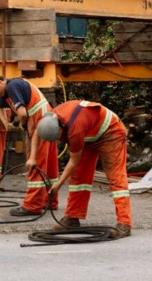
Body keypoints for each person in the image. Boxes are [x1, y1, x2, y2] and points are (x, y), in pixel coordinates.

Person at [33, 100, 132, 239]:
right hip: (89, 134)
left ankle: (124, 223)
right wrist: (32, 157)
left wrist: (58, 184)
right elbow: (37, 133)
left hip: (111, 133)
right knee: (79, 177)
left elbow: (73, 161)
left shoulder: (75, 129)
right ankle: (72, 217)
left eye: (59, 137)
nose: (60, 140)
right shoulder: (49, 119)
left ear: (61, 128)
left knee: (116, 178)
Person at [0, 71, 59, 216]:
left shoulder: (12, 86)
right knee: (49, 165)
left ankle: (32, 206)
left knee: (35, 163)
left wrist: (22, 124)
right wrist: (7, 124)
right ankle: (50, 200)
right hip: (48, 122)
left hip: (39, 123)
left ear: (0, 82)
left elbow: (22, 114)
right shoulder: (5, 93)